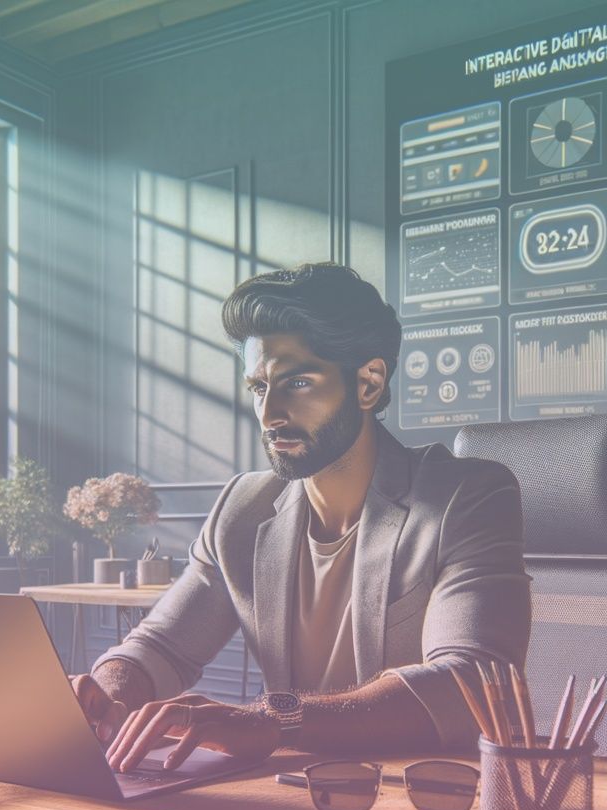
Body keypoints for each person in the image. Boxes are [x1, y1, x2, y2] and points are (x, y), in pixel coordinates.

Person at [73, 263, 529, 773]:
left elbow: (470, 683)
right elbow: (160, 647)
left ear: (369, 384)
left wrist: (275, 719)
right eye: (259, 388)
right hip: (293, 795)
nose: (270, 415)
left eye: (297, 383)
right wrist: (107, 693)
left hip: (430, 800)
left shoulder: (465, 497)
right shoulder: (241, 510)